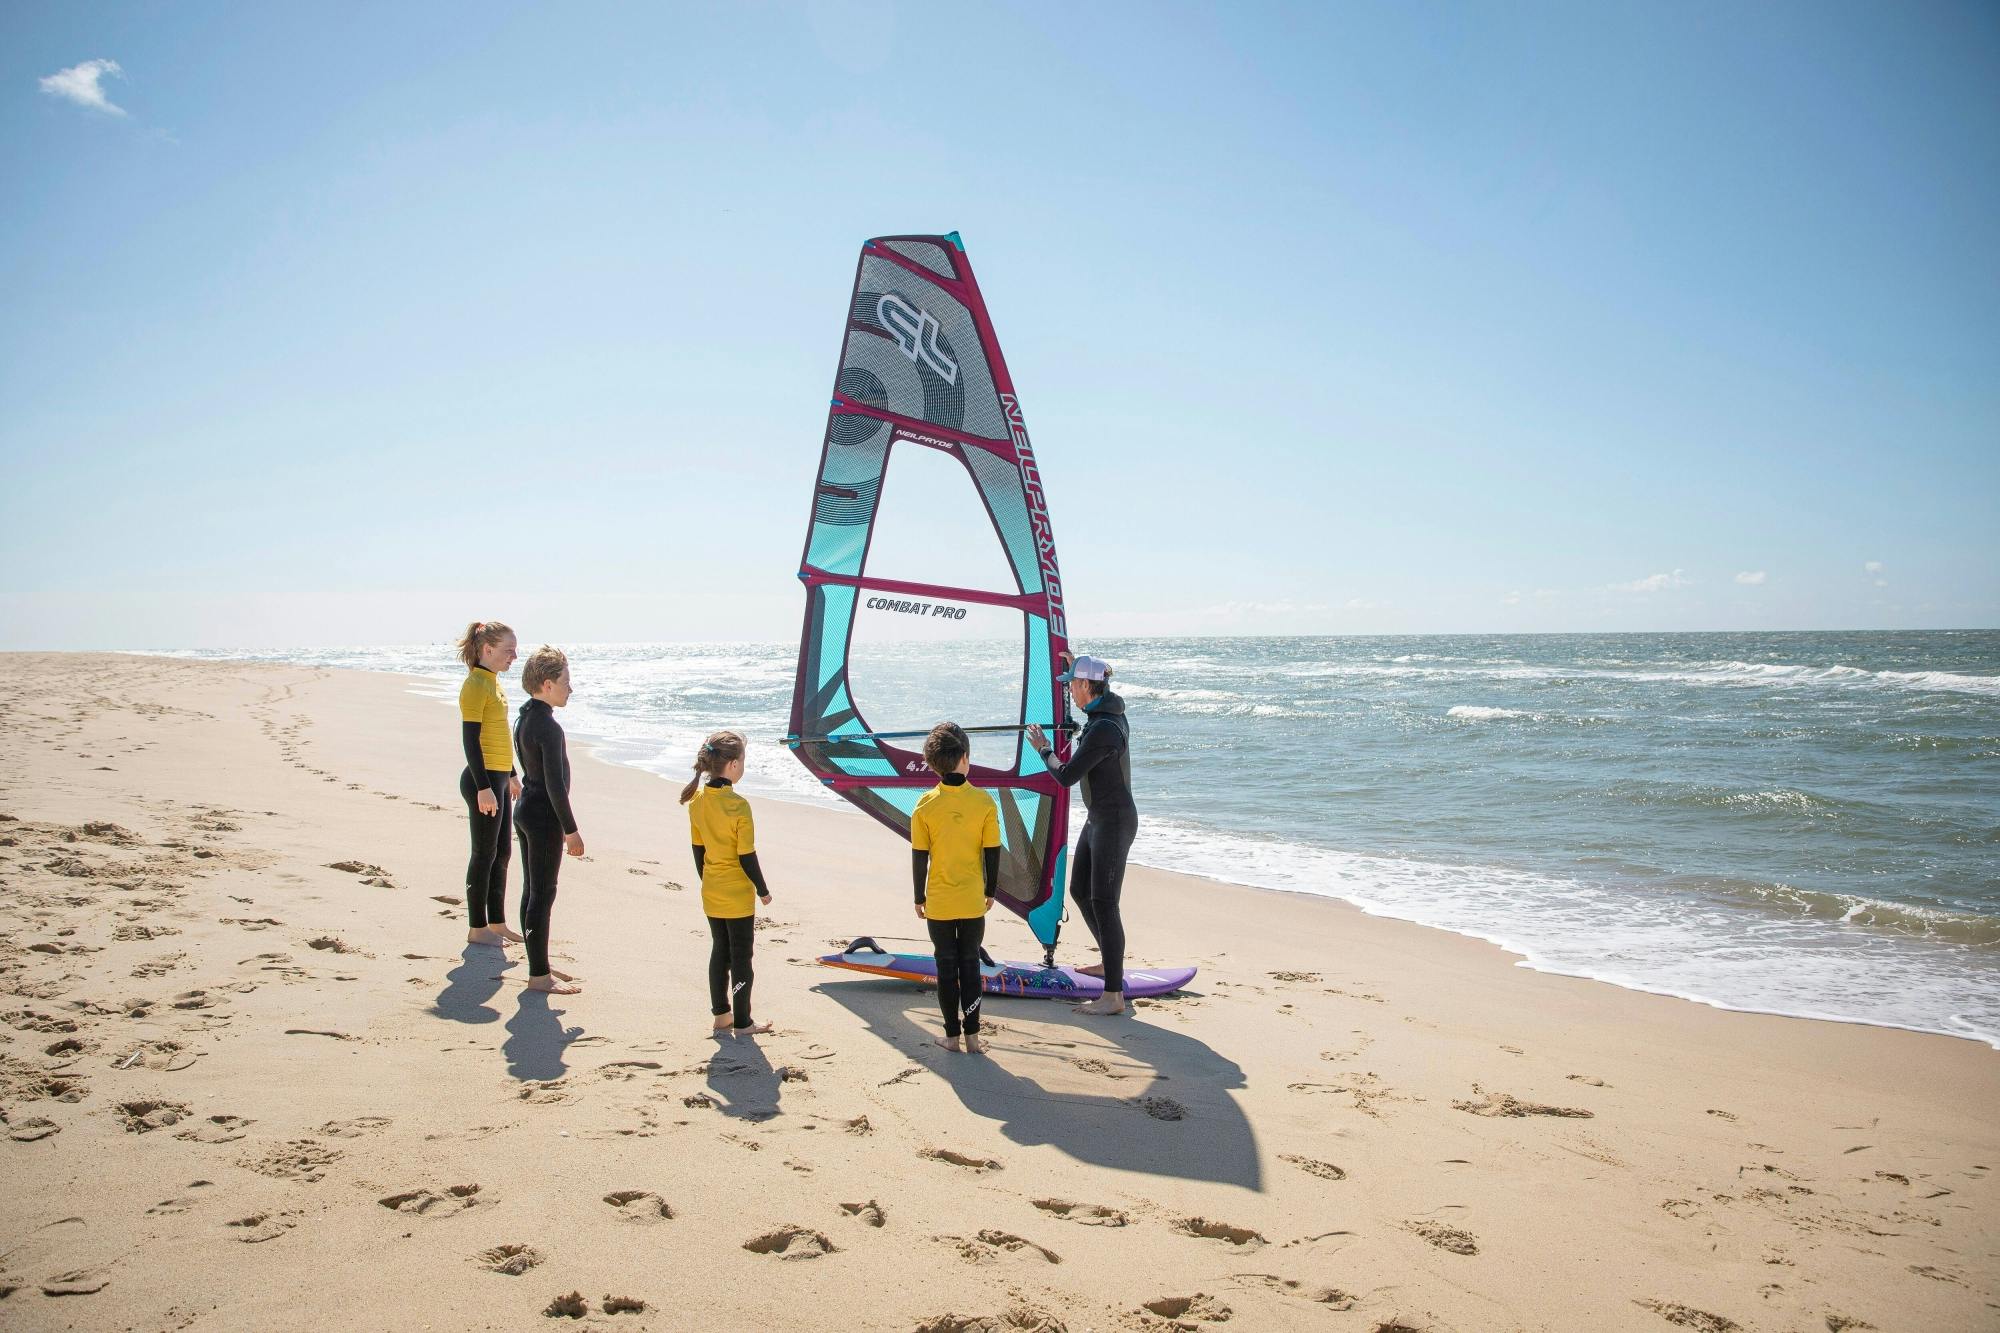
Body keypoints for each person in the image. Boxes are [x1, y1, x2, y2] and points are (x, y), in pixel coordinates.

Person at [1025, 654, 1134, 1016]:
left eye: (1072, 683)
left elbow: (1067, 775)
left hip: (1114, 822)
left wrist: (1043, 749)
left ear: (1087, 686)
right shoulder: (1105, 716)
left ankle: (1113, 995)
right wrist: (1077, 664)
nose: (1069, 689)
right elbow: (1090, 727)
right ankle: (1108, 961)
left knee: (1104, 902)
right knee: (1078, 890)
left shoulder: (1103, 727)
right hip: (1099, 818)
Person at [911, 722, 1001, 1054]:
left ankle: (951, 1037)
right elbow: (993, 852)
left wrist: (919, 896)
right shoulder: (984, 802)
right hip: (972, 899)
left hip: (940, 901)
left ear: (933, 764)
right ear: (965, 757)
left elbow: (920, 856)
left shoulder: (924, 805)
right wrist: (990, 890)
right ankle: (974, 1037)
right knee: (970, 964)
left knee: (945, 966)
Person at [681, 730, 774, 1037]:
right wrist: (762, 889)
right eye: (743, 760)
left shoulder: (697, 801)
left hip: (711, 889)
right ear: (733, 765)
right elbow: (747, 855)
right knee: (741, 956)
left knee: (719, 950)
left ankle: (722, 1016)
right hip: (736, 893)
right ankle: (744, 1022)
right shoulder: (738, 805)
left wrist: (708, 880)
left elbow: (699, 851)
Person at [513, 646, 585, 995]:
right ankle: (539, 975)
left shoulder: (525, 717)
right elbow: (557, 787)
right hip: (543, 816)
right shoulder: (550, 728)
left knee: (531, 891)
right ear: (546, 684)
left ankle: (536, 963)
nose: (570, 688)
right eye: (565, 682)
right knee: (543, 894)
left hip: (525, 809)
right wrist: (571, 830)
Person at [457, 620, 523, 948]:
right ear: (487, 649)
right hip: (481, 780)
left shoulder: (494, 682)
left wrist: (510, 773)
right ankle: (477, 927)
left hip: (497, 778)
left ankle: (497, 923)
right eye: (509, 650)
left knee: (503, 852)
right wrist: (484, 786)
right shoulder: (475, 685)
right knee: (484, 853)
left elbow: (497, 733)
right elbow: (470, 740)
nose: (514, 656)